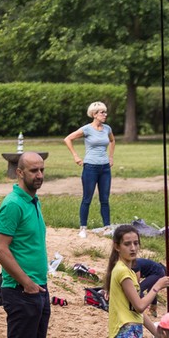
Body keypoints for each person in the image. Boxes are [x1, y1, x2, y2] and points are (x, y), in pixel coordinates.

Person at [0, 152, 49, 338]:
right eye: (33, 171)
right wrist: (25, 282)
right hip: (20, 290)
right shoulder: (13, 204)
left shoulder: (33, 201)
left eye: (41, 170)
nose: (39, 175)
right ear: (19, 172)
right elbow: (0, 249)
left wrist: (35, 284)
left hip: (39, 288)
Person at [105, 225, 169, 338]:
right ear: (117, 246)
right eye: (127, 244)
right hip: (125, 332)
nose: (133, 248)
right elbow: (140, 306)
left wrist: (157, 334)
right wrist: (157, 286)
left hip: (132, 330)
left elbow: (136, 313)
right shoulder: (122, 272)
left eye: (136, 243)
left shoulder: (127, 271)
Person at [63, 101, 115, 238]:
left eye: (105, 112)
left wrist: (111, 157)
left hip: (105, 168)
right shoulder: (86, 129)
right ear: (94, 114)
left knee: (105, 198)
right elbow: (68, 139)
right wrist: (76, 156)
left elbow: (112, 140)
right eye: (102, 112)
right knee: (87, 198)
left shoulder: (107, 129)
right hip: (90, 167)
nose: (105, 114)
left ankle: (107, 227)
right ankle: (83, 228)